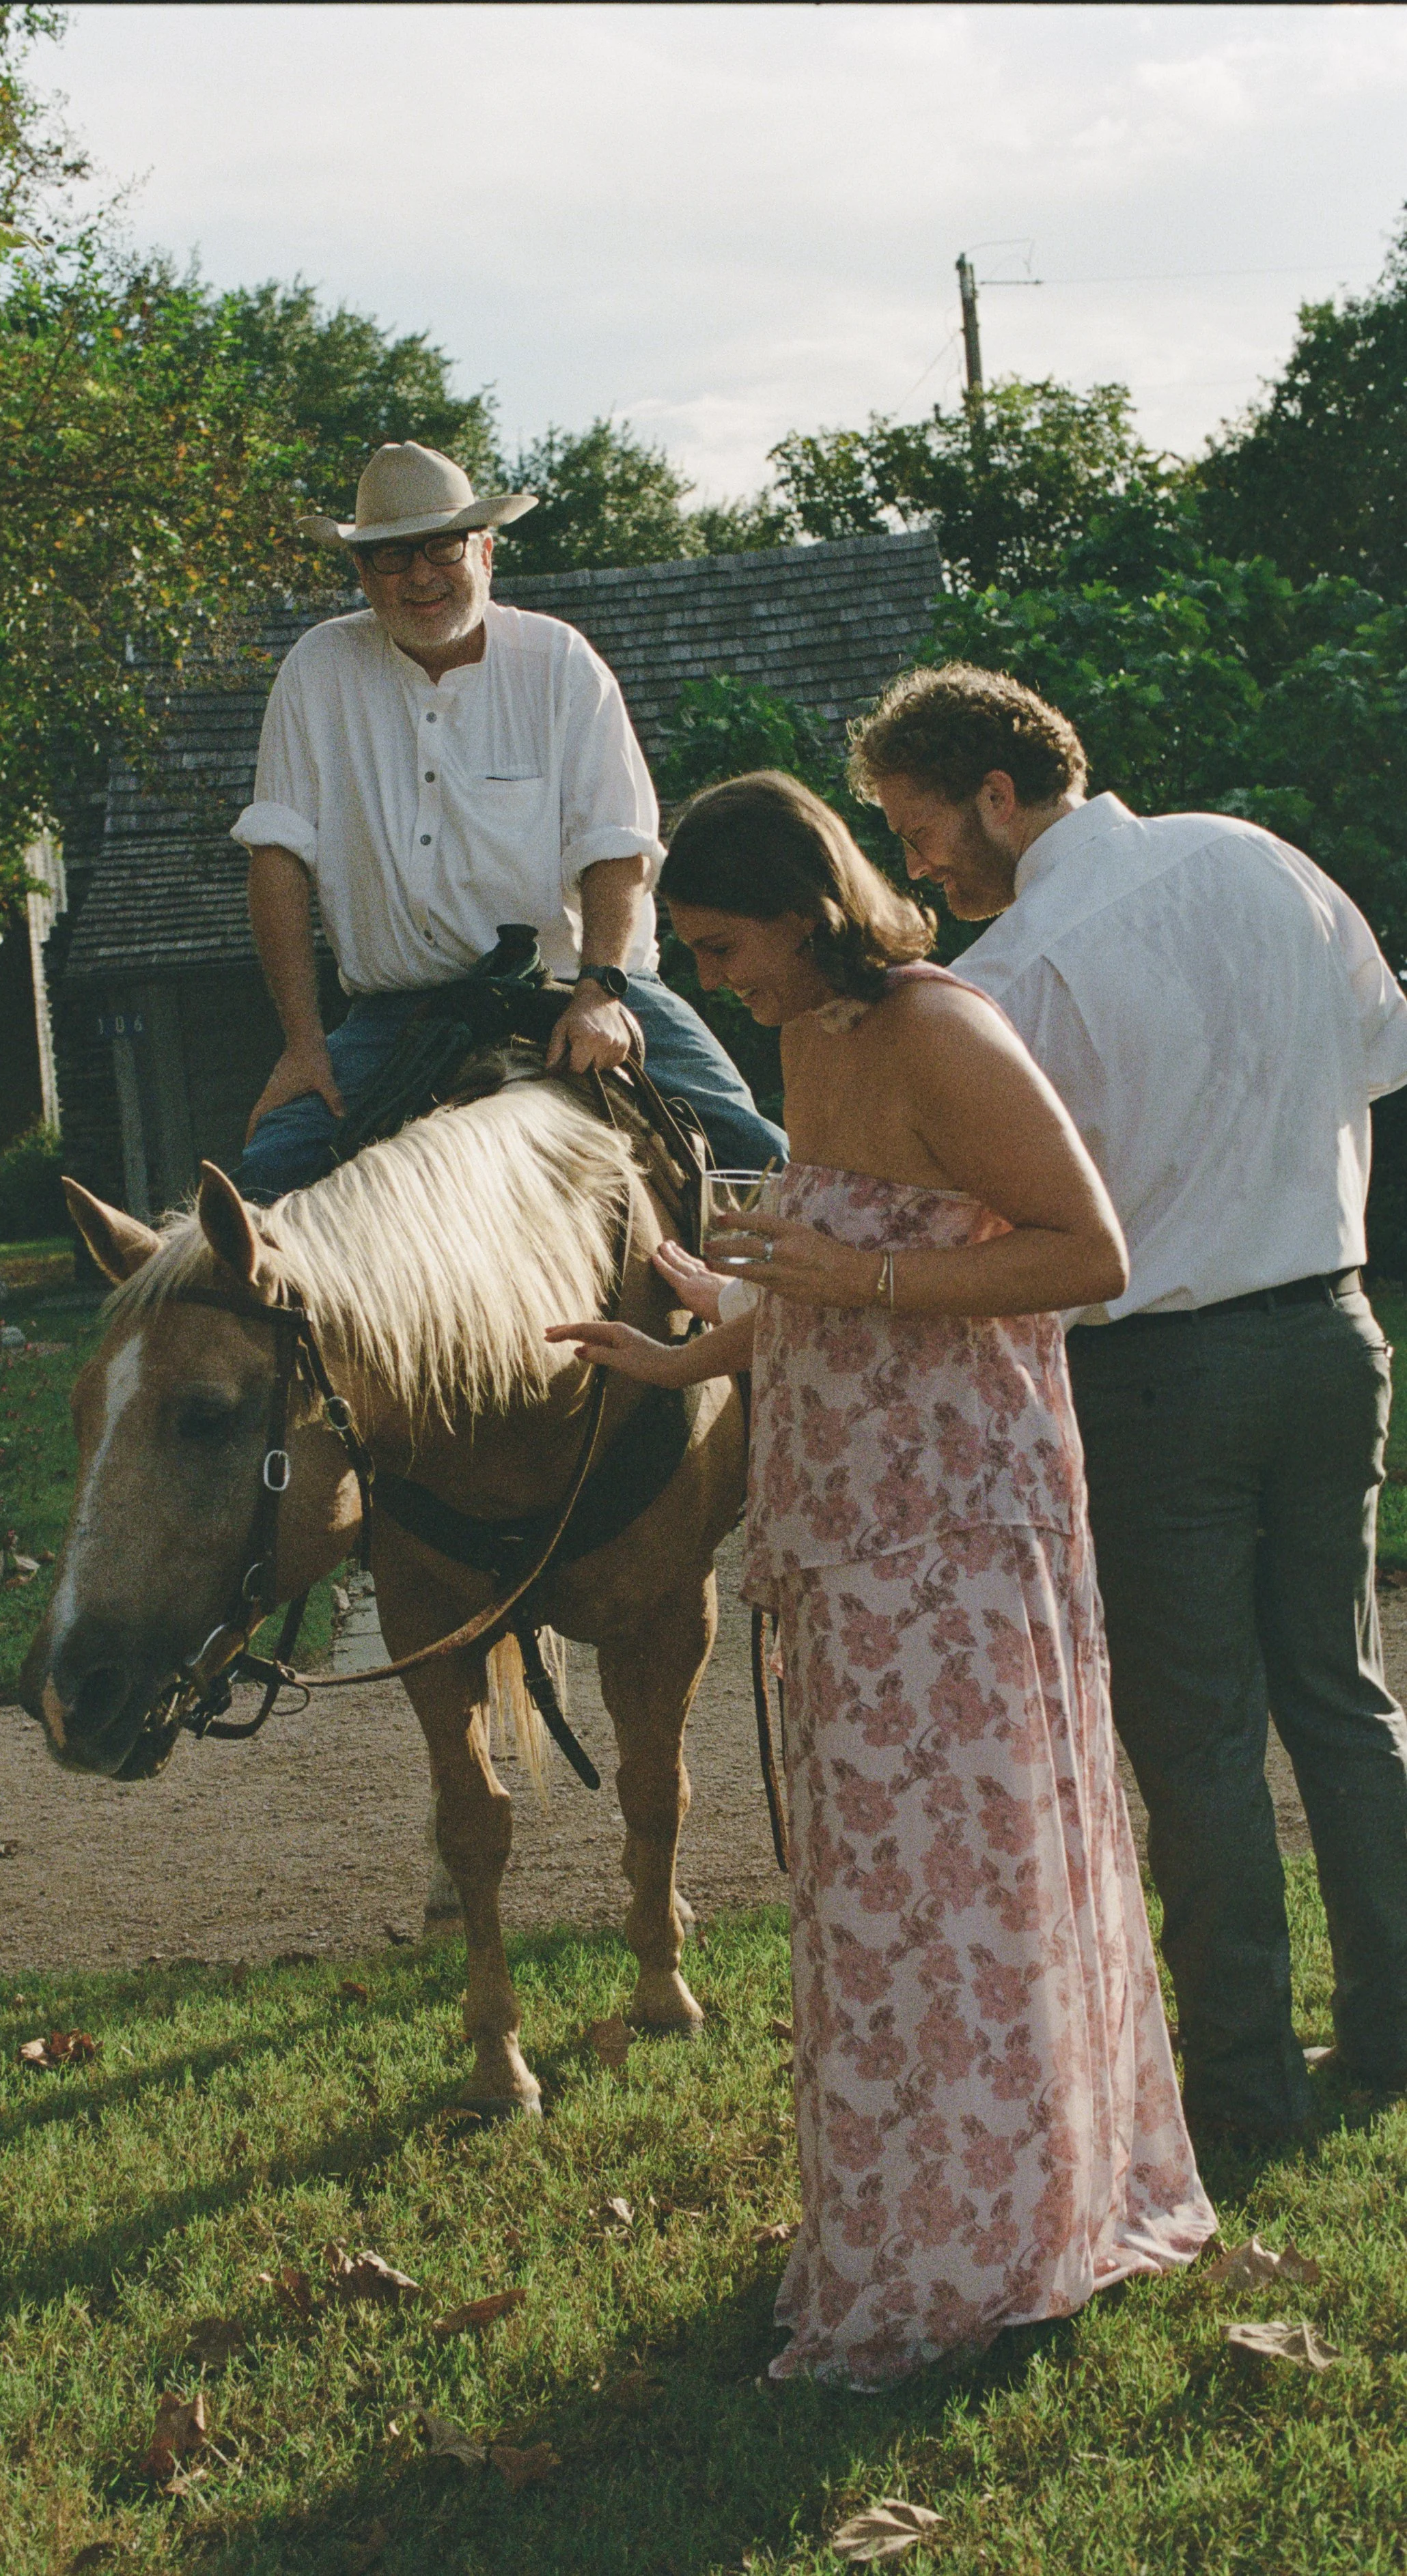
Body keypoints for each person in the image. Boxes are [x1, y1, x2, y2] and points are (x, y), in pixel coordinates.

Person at [549, 770, 1214, 2390]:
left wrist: (870, 1274)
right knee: (874, 1903)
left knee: (966, 1891)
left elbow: (1088, 1251)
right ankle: (911, 2223)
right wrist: (688, 1341)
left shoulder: (938, 1026)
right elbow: (811, 1287)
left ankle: (1010, 2233)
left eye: (723, 946)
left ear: (801, 907)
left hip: (963, 1536)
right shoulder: (809, 1038)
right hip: (846, 1540)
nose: (716, 980)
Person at [847, 662, 1407, 2142]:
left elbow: (981, 1212)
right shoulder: (1260, 857)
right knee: (1344, 1702)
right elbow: (1375, 1057)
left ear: (996, 788)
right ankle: (1393, 2034)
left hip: (1160, 1373)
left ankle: (1244, 2090)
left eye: (917, 825)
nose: (916, 863)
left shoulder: (1012, 976)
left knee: (1201, 1741)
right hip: (1333, 1329)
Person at [230, 440, 785, 1196]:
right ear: (361, 572)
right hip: (400, 1009)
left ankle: (810, 1299)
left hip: (568, 983)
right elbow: (277, 859)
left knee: (755, 1157)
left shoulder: (559, 662)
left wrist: (601, 992)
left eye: (442, 547)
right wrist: (301, 1042)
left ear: (484, 550)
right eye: (391, 556)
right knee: (269, 1182)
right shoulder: (317, 670)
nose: (420, 575)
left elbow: (615, 847)